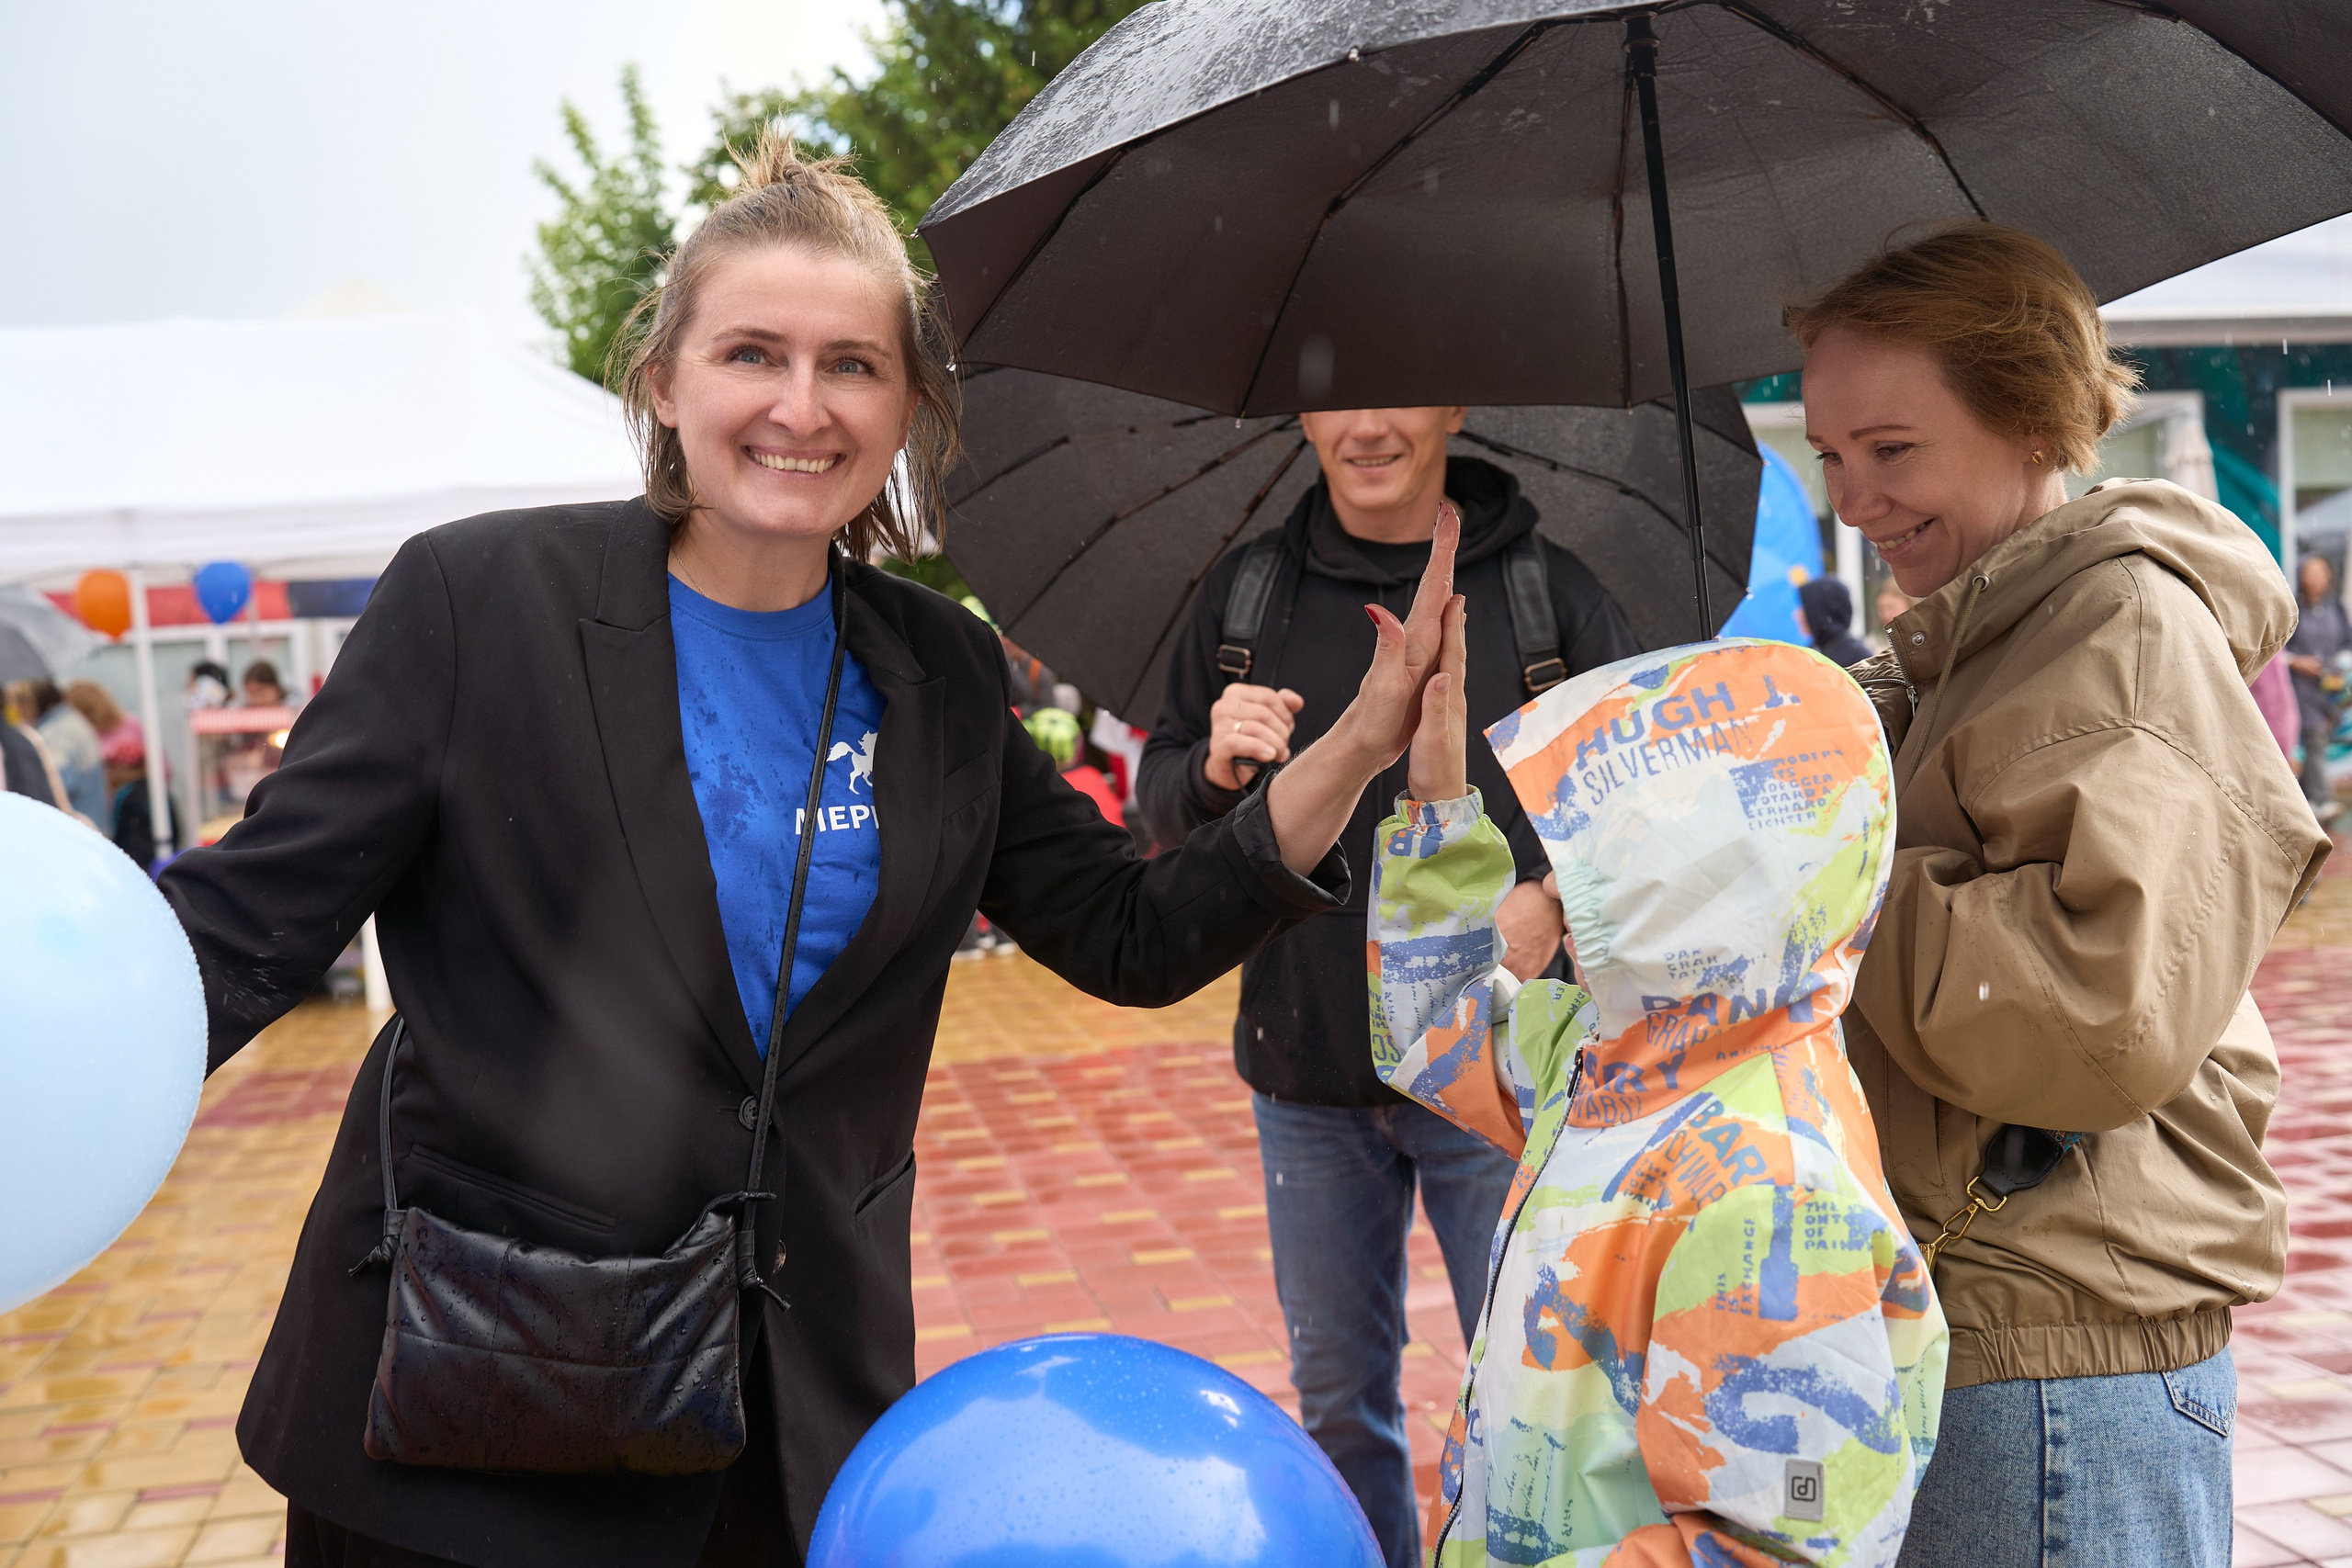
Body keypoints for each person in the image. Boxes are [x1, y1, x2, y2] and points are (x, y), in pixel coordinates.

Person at [155, 133, 1457, 1568]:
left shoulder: (943, 672)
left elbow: (1127, 933)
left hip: (773, 1422)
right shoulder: (482, 602)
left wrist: (1356, 745)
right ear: (666, 379)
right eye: (751, 353)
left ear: (909, 408)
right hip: (473, 1403)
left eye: (852, 364)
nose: (800, 405)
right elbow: (243, 927)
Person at [1799, 221, 2330, 1567]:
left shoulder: (2119, 633)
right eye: (1831, 454)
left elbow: (2092, 1013)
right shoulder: (1963, 644)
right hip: (1979, 1325)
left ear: (2028, 416)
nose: (1854, 496)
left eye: (1893, 448)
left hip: (2055, 1356)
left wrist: (1819, 882)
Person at [1137, 406, 1638, 1563]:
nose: (1367, 426)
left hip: (1500, 1081)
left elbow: (1638, 801)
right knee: (1338, 1405)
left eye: (1397, 391)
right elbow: (1157, 810)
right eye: (1339, 399)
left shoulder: (1542, 592)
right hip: (1304, 1069)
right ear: (1306, 418)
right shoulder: (1246, 598)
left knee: (1538, 1394)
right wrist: (1210, 768)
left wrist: (1556, 904)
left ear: (1451, 406)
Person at [1370, 625, 1945, 1565]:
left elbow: (1778, 1546)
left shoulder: (1771, 1190)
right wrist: (1435, 806)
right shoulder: (1619, 1062)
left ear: (1705, 897)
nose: (1566, 889)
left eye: (1608, 864)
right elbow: (1434, 1032)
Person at [2286, 553, 2350, 822]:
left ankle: (2305, 797)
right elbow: (2278, 650)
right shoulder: (2293, 609)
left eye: (2321, 572)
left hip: (2330, 689)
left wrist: (2341, 662)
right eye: (2311, 573)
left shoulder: (2335, 608)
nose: (2317, 579)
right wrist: (2297, 662)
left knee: (2318, 741)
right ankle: (2319, 801)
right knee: (2313, 740)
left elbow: (2347, 643)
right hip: (2301, 690)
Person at [23, 677, 109, 826]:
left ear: (40, 702)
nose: (20, 709)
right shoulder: (70, 719)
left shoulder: (57, 734)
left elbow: (53, 786)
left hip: (77, 827)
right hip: (92, 823)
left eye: (24, 702)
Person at [1796, 575, 1874, 667]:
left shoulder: (1857, 658)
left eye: (1805, 608)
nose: (1797, 615)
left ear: (1821, 611)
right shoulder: (1815, 651)